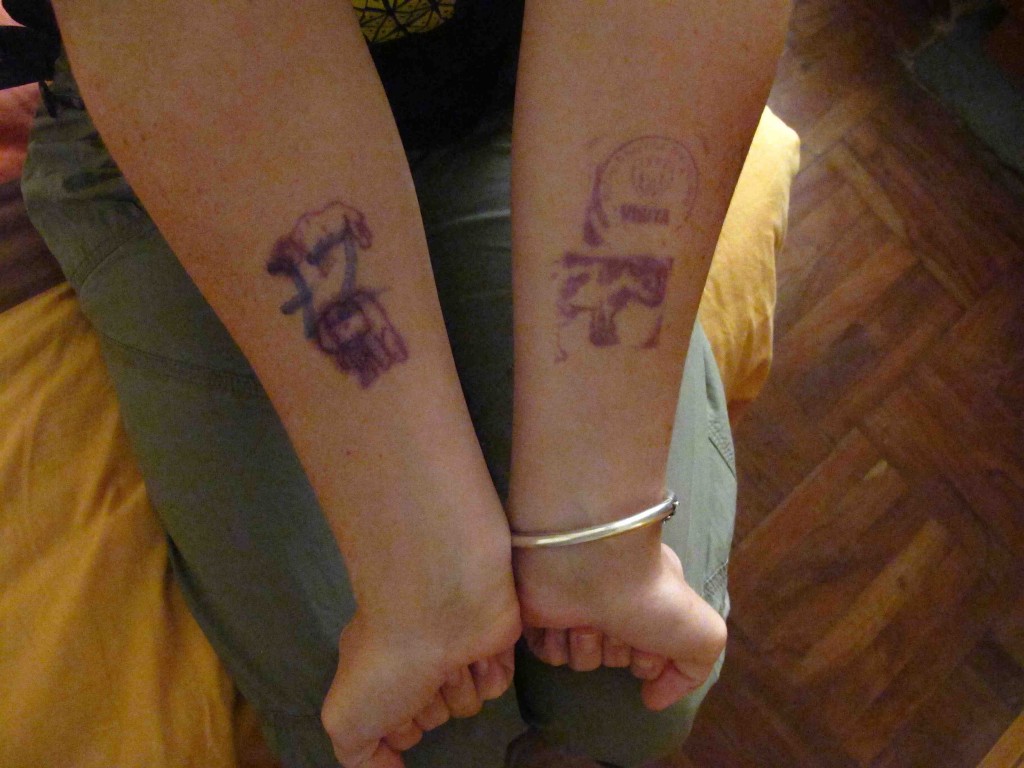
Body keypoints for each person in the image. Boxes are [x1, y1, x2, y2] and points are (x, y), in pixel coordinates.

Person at [21, 1, 790, 766]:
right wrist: (424, 584)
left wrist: (602, 535)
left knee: (631, 702)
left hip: (506, 84)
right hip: (189, 133)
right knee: (422, 745)